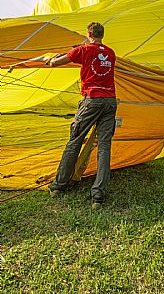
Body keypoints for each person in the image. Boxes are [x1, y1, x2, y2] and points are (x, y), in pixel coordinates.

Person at [48, 22, 117, 210]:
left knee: (75, 140)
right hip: (110, 101)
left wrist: (52, 59)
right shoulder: (111, 53)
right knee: (104, 147)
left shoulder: (83, 50)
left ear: (88, 33)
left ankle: (59, 185)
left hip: (92, 100)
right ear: (102, 34)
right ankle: (98, 195)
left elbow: (56, 63)